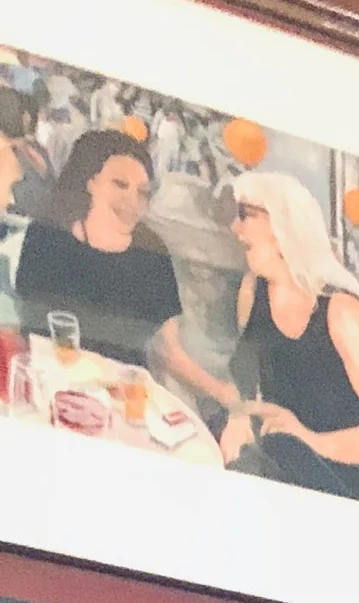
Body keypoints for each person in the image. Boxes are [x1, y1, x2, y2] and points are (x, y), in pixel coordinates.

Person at [221, 169, 359, 513]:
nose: (235, 228)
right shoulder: (253, 291)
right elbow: (246, 384)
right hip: (296, 464)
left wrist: (309, 440)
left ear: (285, 223)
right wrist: (239, 417)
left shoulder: (342, 313)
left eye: (246, 215)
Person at [10, 130, 229, 414]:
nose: (132, 200)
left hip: (121, 402)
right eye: (120, 184)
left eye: (142, 192)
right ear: (90, 181)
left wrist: (224, 393)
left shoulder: (152, 253)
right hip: (51, 389)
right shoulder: (48, 235)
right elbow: (28, 323)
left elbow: (169, 351)